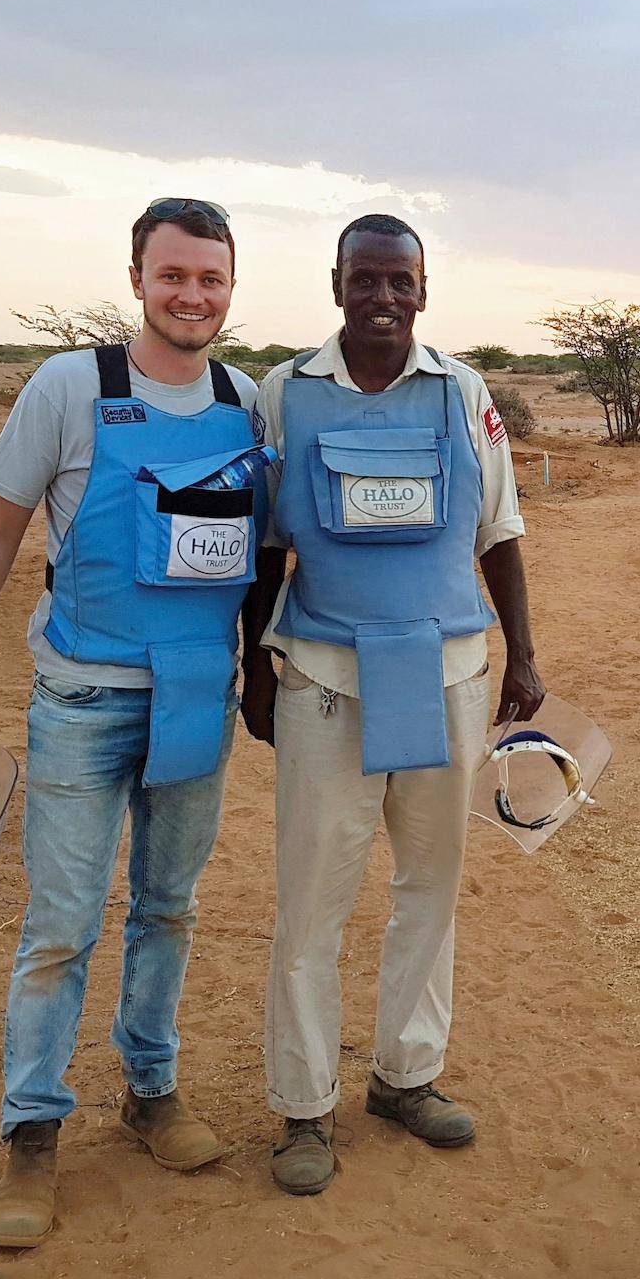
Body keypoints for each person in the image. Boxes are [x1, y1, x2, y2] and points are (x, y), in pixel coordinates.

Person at [0, 198, 267, 1249]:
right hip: (82, 697)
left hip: (197, 692)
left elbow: (262, 555)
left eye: (211, 277)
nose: (192, 295)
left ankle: (151, 1091)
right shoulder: (72, 387)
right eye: (174, 275)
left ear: (230, 286)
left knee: (169, 907)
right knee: (61, 922)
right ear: (137, 277)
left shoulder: (247, 399)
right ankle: (31, 1131)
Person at [240, 212, 543, 1197]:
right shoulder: (288, 392)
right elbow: (266, 544)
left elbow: (499, 528)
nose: (381, 299)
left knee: (430, 886)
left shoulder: (462, 393)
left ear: (423, 289)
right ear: (336, 285)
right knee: (312, 902)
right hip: (325, 678)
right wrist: (254, 661)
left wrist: (524, 655)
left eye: (399, 282)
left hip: (447, 673)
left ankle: (406, 1075)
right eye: (363, 280)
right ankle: (303, 1106)